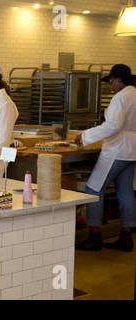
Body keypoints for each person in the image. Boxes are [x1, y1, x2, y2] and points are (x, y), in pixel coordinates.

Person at [75, 64, 136, 252]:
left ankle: (94, 236)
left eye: (111, 81)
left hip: (118, 149)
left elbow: (113, 126)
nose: (110, 86)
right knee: (125, 191)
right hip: (133, 149)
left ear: (119, 80)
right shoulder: (135, 94)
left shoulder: (121, 97)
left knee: (93, 189)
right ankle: (126, 237)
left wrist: (84, 136)